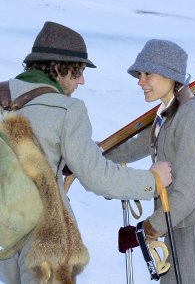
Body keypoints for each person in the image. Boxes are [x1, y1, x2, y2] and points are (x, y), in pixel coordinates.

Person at [0, 22, 172, 284]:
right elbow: (97, 177)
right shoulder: (68, 110)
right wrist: (152, 181)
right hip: (42, 239)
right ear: (57, 68)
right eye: (78, 71)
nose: (82, 80)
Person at [104, 39, 195, 283]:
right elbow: (131, 148)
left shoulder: (193, 117)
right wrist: (89, 159)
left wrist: (145, 231)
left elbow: (187, 194)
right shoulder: (168, 115)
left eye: (147, 74)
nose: (140, 81)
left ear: (169, 75)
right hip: (178, 225)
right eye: (140, 74)